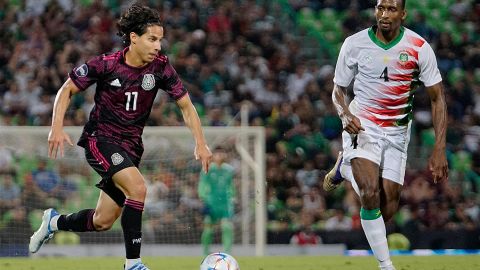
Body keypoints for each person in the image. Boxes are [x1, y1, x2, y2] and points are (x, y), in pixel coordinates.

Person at [28, 4, 212, 270]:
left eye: (160, 39)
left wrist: (201, 142)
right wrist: (56, 127)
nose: (158, 46)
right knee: (138, 188)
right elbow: (67, 89)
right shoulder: (107, 65)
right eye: (152, 39)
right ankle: (133, 264)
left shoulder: (161, 68)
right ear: (134, 37)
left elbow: (186, 105)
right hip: (99, 140)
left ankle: (53, 222)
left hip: (131, 148)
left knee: (102, 221)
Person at [322, 0, 448, 269]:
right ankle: (386, 265)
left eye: (391, 9)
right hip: (363, 126)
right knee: (368, 192)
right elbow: (338, 90)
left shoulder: (419, 47)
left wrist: (439, 147)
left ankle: (344, 168)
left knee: (385, 210)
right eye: (380, 8)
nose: (384, 14)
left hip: (397, 134)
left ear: (403, 14)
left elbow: (437, 98)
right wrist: (345, 115)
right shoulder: (354, 44)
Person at [198, 146, 235, 256]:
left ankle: (227, 252)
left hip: (225, 203)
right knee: (208, 229)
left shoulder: (229, 170)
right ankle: (205, 252)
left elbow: (231, 186)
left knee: (227, 226)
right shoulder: (207, 167)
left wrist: (233, 196)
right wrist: (203, 197)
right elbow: (202, 184)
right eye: (217, 153)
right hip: (211, 203)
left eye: (222, 153)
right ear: (213, 155)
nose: (219, 155)